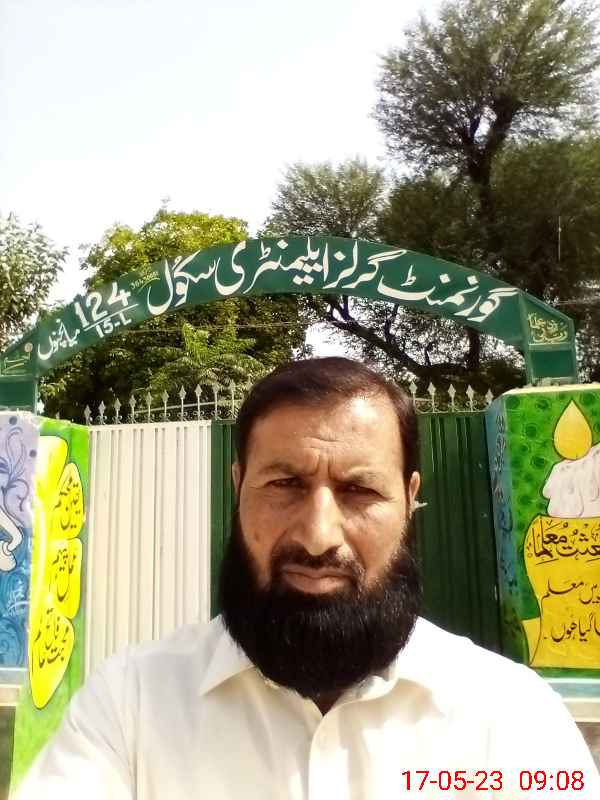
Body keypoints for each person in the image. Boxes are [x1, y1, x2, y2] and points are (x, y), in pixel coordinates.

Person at [14, 357, 600, 799]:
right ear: (238, 487)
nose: (319, 537)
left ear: (409, 500)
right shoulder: (132, 703)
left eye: (359, 490)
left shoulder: (512, 715)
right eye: (285, 484)